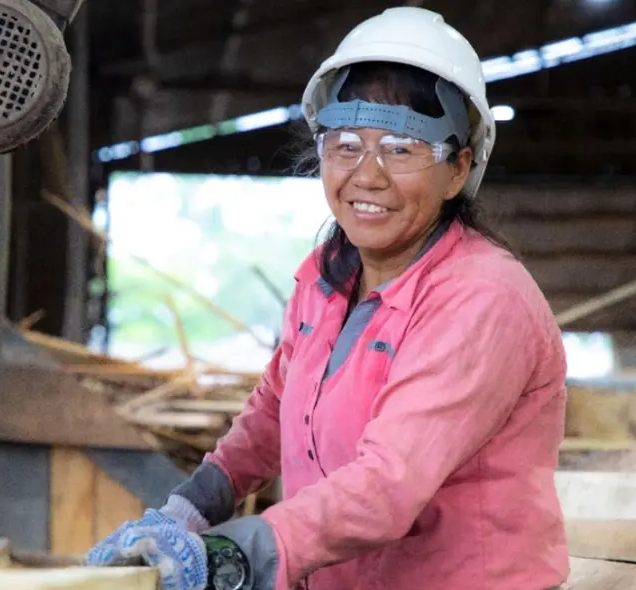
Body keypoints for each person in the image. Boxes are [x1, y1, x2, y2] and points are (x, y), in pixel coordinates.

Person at [85, 7, 569, 590]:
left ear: (458, 168)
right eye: (345, 145)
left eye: (400, 148)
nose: (367, 175)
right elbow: (275, 405)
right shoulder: (328, 276)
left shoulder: (482, 299)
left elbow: (388, 486)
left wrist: (231, 556)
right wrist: (192, 506)